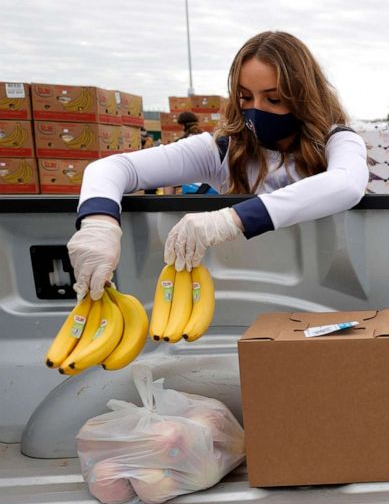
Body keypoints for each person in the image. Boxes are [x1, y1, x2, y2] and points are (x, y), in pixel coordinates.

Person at [66, 30, 369, 301]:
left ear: (304, 96)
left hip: (328, 299)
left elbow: (346, 183)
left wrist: (229, 220)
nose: (256, 111)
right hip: (243, 299)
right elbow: (112, 169)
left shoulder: (337, 141)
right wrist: (99, 224)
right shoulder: (222, 150)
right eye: (245, 97)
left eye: (273, 99)